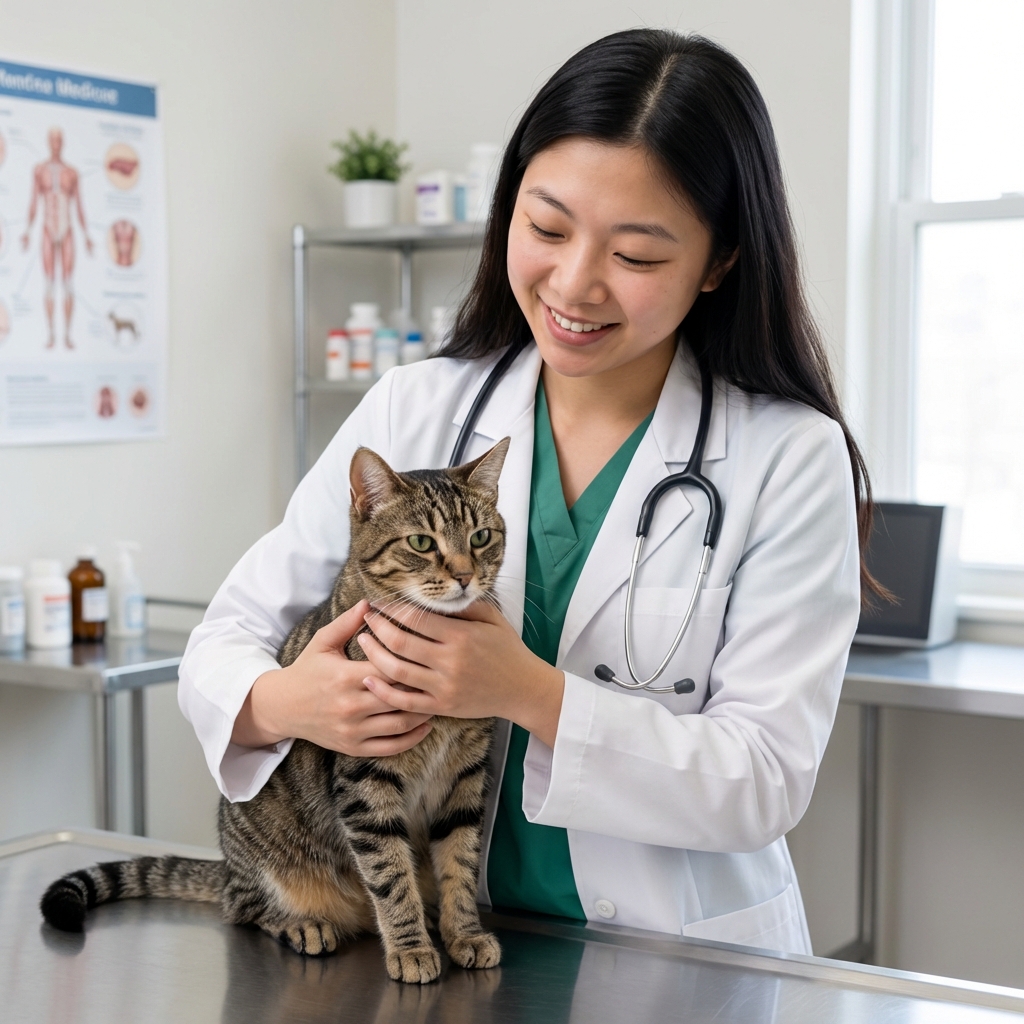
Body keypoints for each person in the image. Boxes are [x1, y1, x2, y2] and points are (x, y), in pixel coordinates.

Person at [180, 29, 871, 955]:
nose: (574, 283)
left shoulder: (788, 456)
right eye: (546, 228)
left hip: (668, 960)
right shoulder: (416, 406)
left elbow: (765, 779)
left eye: (636, 254)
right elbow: (224, 640)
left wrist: (531, 693)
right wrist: (291, 703)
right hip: (425, 944)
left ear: (718, 263)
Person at [22, 127, 93, 349]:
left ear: (63, 142)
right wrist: (27, 230)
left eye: (59, 139)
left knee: (68, 283)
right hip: (47, 228)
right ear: (47, 142)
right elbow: (33, 202)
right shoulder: (39, 170)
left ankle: (68, 336)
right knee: (49, 282)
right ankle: (52, 334)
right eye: (53, 139)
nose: (56, 143)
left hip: (67, 228)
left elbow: (79, 205)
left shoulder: (72, 173)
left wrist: (87, 234)